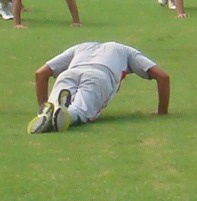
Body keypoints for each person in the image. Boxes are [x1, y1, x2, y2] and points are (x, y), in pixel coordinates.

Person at [27, 41, 170, 133]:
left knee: (52, 107)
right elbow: (163, 77)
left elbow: (41, 74)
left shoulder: (81, 46)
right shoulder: (125, 50)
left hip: (69, 73)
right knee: (80, 112)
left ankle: (46, 112)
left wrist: (41, 105)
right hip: (99, 76)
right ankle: (67, 115)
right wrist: (162, 112)